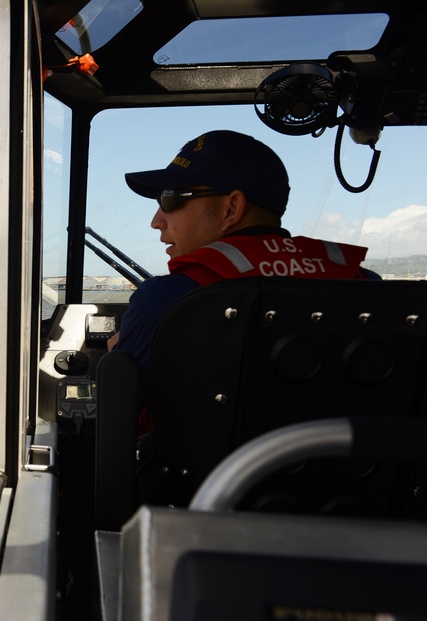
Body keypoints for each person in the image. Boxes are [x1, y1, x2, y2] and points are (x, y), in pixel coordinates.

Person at [107, 130, 377, 412]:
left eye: (171, 198)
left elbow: (117, 413)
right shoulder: (365, 285)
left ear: (232, 208)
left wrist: (115, 364)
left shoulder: (165, 301)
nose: (156, 221)